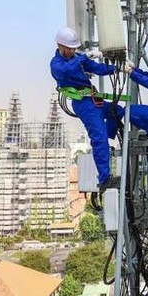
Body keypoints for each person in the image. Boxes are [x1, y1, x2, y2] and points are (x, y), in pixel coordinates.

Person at [50, 27, 118, 188]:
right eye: (68, 48)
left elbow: (97, 68)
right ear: (59, 45)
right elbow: (65, 71)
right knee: (98, 138)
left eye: (73, 48)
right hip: (83, 104)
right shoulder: (56, 64)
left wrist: (116, 68)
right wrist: (83, 57)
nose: (71, 51)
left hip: (94, 100)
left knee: (118, 112)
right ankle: (104, 179)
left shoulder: (77, 58)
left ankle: (107, 137)